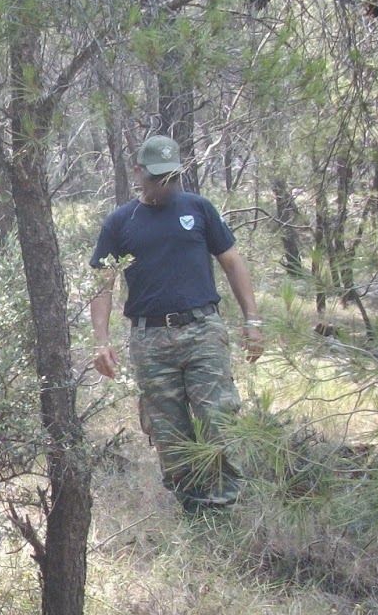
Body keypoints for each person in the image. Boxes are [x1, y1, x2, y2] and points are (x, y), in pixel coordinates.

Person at [89, 134, 264, 513]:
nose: (167, 185)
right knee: (168, 430)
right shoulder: (120, 223)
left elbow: (232, 263)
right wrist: (100, 341)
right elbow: (103, 285)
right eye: (158, 178)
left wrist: (253, 319)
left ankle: (222, 507)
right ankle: (192, 505)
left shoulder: (199, 209)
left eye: (172, 177)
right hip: (150, 339)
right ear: (139, 173)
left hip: (203, 330)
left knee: (216, 418)